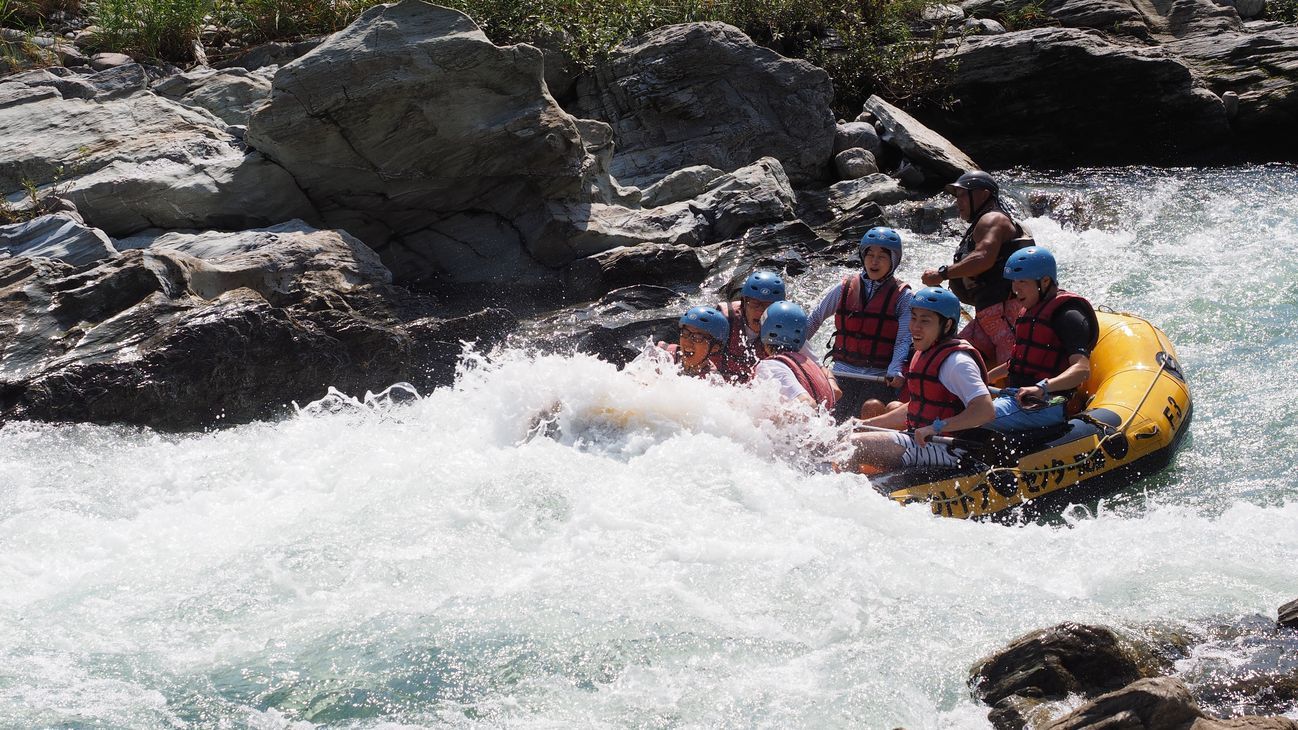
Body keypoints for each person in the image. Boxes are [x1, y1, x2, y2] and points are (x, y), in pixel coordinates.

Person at [847, 287, 994, 471]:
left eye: (925, 321)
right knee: (879, 415)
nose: (915, 327)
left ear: (947, 325)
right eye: (914, 318)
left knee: (850, 446)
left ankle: (851, 493)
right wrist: (865, 424)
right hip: (922, 442)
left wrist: (936, 428)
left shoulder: (958, 362)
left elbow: (985, 411)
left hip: (948, 450)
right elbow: (919, 405)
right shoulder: (926, 352)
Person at [921, 170, 1035, 366]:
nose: (958, 201)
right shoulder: (985, 221)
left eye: (963, 194)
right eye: (957, 196)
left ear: (982, 193)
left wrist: (942, 274)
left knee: (1012, 367)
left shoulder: (992, 219)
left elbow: (983, 258)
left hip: (1005, 312)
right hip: (988, 313)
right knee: (951, 359)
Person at [984, 247, 1098, 433]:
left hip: (1047, 404)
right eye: (1013, 282)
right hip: (1016, 399)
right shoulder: (1030, 312)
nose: (1015, 289)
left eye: (1022, 282)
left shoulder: (1068, 315)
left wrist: (1041, 388)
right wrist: (986, 378)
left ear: (1045, 281)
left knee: (972, 416)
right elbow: (1017, 363)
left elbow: (1082, 370)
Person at [805, 226, 913, 422]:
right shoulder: (843, 288)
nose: (874, 261)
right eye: (870, 254)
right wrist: (794, 352)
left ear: (894, 261)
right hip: (841, 371)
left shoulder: (903, 297)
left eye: (882, 256)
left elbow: (903, 339)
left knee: (865, 411)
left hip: (879, 375)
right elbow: (814, 320)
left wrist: (895, 368)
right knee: (832, 419)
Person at [753, 301, 837, 409]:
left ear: (765, 330)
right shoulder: (809, 363)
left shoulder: (771, 367)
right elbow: (835, 393)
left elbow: (807, 405)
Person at [713, 270, 787, 383]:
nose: (761, 312)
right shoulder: (723, 319)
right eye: (755, 304)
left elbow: (807, 364)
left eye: (768, 306)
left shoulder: (786, 329)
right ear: (743, 303)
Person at [655, 306, 731, 378]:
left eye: (698, 337)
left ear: (714, 348)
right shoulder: (664, 355)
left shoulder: (712, 381)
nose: (688, 342)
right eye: (685, 333)